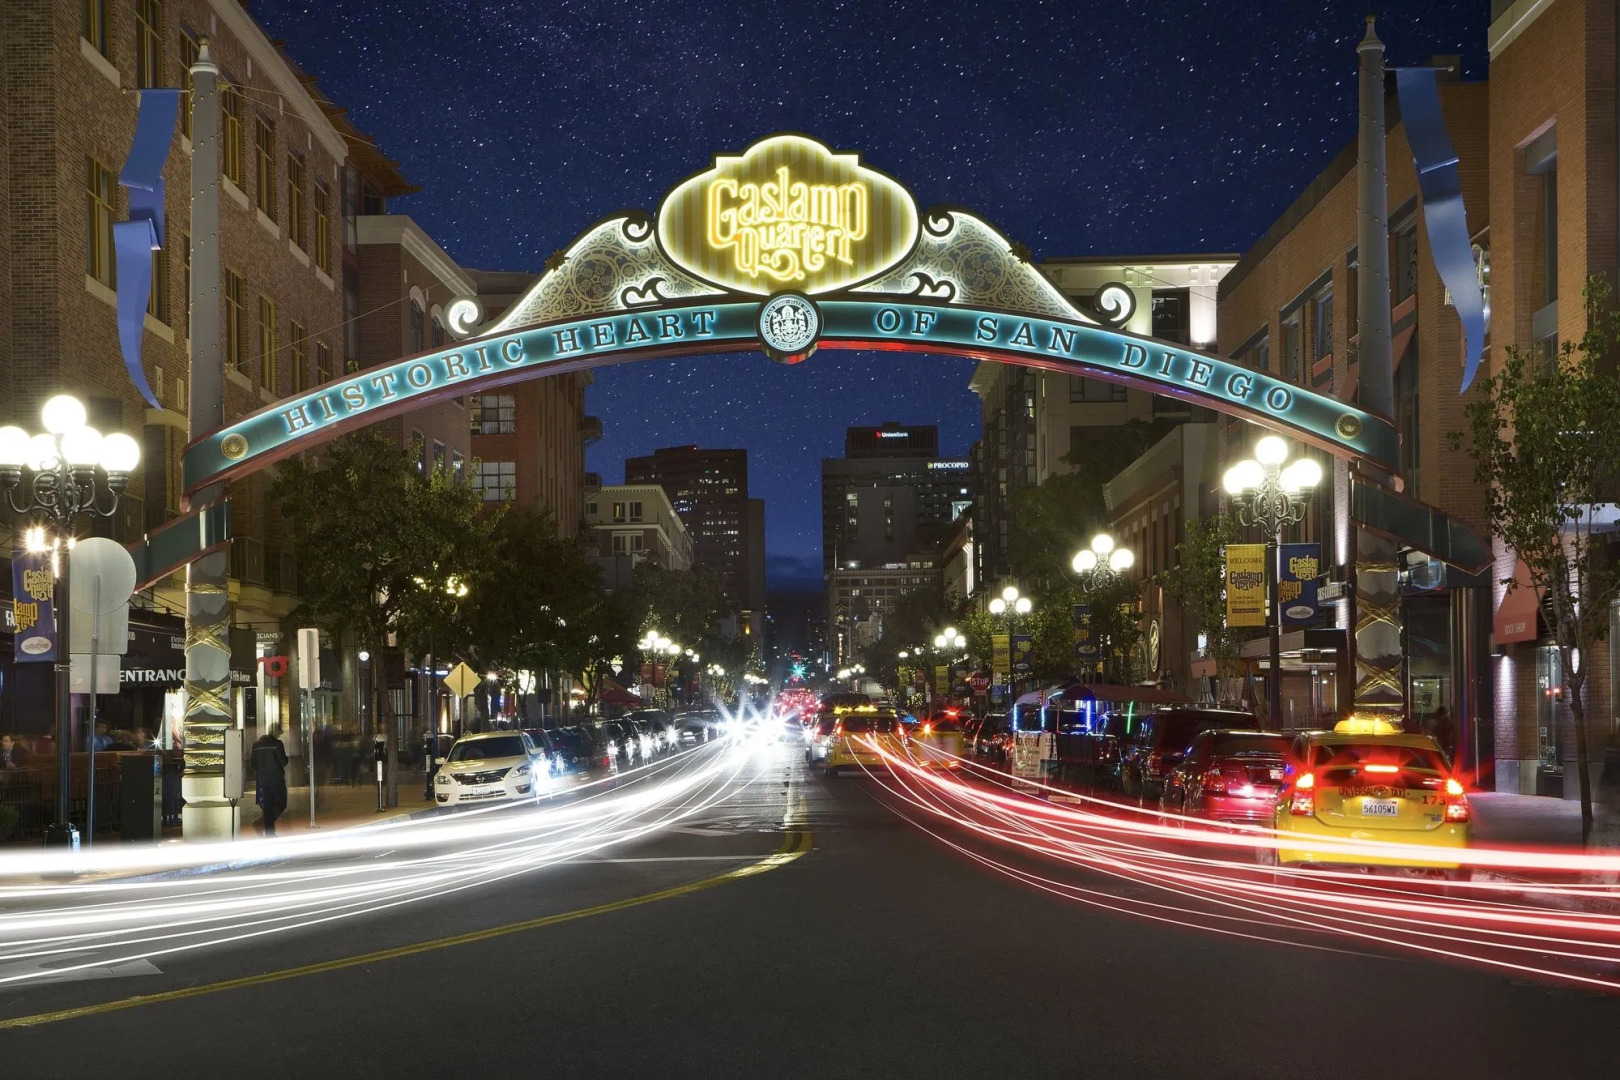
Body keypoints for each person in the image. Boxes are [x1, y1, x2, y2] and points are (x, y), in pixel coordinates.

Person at [252, 731, 289, 836]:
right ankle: (263, 825)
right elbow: (283, 761)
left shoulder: (256, 745)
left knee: (268, 806)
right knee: (281, 803)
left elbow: (253, 763)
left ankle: (269, 832)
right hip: (276, 779)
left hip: (263, 779)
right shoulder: (277, 744)